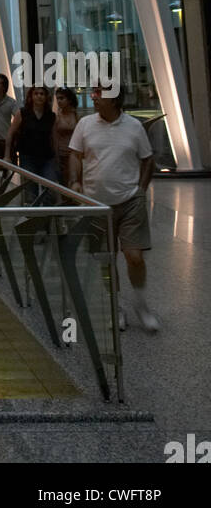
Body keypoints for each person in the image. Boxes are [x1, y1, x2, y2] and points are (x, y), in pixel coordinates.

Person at [68, 86, 157, 332]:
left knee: (134, 257)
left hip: (130, 201)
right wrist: (75, 181)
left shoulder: (134, 127)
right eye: (94, 92)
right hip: (97, 204)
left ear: (115, 99)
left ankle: (141, 304)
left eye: (100, 93)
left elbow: (147, 158)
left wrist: (141, 189)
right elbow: (75, 154)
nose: (94, 97)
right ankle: (116, 307)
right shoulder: (85, 124)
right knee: (106, 260)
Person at [5, 84, 58, 202]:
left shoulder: (51, 116)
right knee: (30, 191)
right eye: (36, 93)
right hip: (28, 156)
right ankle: (32, 216)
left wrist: (57, 159)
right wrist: (7, 155)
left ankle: (46, 217)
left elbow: (54, 138)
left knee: (49, 188)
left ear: (46, 97)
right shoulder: (23, 113)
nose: (39, 96)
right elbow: (11, 133)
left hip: (46, 156)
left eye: (42, 94)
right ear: (31, 96)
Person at [52, 86, 79, 182]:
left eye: (62, 98)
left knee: (75, 181)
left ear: (69, 100)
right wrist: (56, 157)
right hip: (62, 154)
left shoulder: (75, 114)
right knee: (64, 182)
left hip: (75, 153)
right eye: (58, 98)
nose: (59, 101)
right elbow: (54, 137)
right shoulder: (56, 116)